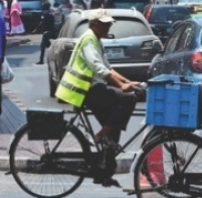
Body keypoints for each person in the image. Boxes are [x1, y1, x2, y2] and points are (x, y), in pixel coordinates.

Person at [55, 11, 139, 152]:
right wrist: (121, 86)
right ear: (94, 25)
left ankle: (107, 156)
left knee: (114, 123)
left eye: (109, 24)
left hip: (93, 88)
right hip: (85, 90)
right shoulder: (88, 39)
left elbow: (108, 68)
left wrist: (128, 82)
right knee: (128, 99)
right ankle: (101, 134)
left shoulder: (96, 40)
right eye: (104, 24)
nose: (108, 28)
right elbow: (98, 67)